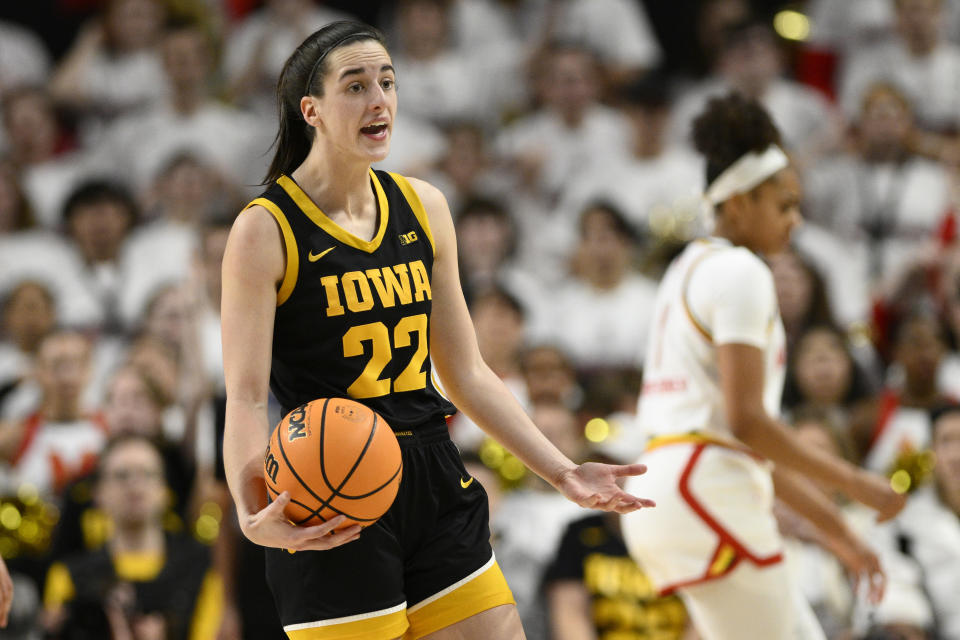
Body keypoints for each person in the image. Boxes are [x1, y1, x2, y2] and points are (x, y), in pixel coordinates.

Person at [220, 20, 654, 640]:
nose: (379, 100)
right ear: (310, 109)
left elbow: (467, 372)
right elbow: (245, 395)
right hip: (329, 488)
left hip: (431, 468)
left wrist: (562, 472)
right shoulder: (265, 228)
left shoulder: (424, 206)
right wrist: (248, 508)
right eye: (356, 86)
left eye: (388, 82)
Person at [620, 92, 906, 640]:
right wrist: (858, 483)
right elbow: (749, 423)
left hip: (679, 482)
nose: (796, 222)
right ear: (738, 202)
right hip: (707, 487)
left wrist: (840, 535)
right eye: (785, 205)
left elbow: (747, 446)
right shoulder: (742, 270)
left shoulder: (687, 266)